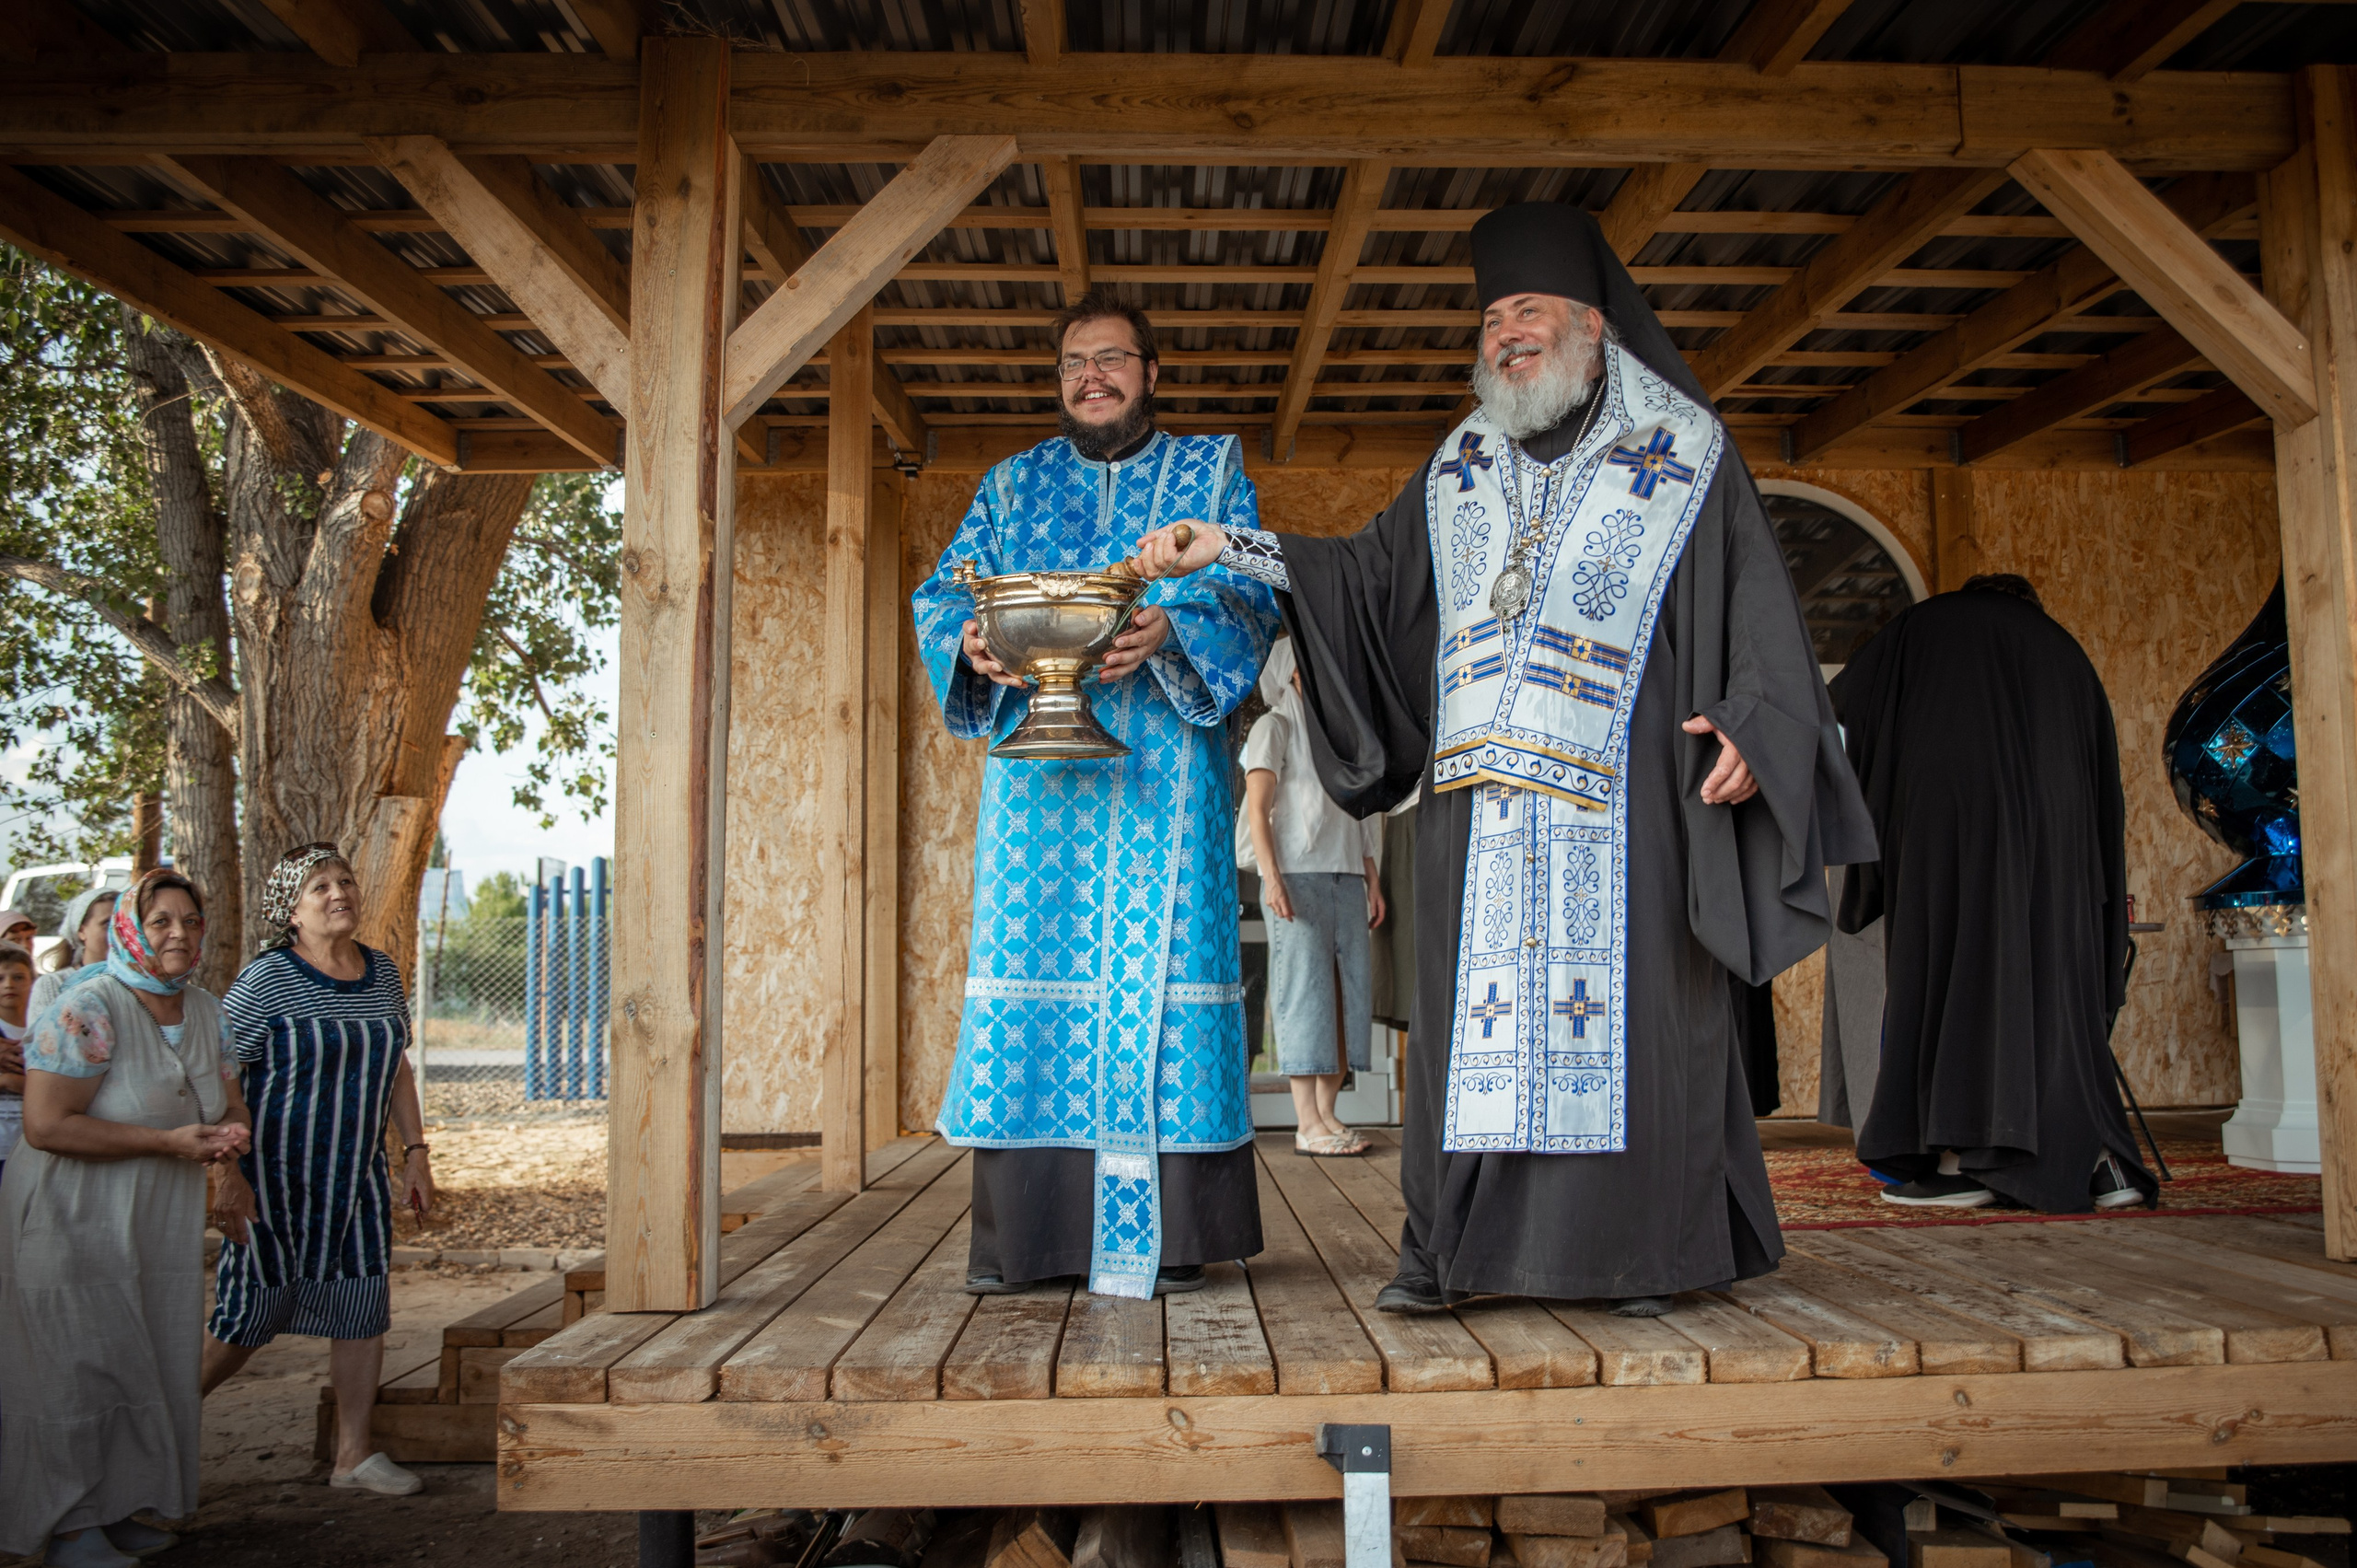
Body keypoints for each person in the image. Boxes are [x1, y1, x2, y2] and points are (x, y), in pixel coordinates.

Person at [1135, 203, 1875, 1317]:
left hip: (1628, 804)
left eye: (1526, 311)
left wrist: (1754, 727)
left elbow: (1759, 610)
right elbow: (1368, 580)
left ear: (1591, 322)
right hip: (1475, 816)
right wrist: (1230, 545)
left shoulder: (1683, 451)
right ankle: (1452, 1253)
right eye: (1490, 318)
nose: (1504, 335)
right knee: (1466, 1039)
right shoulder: (1459, 463)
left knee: (1631, 1032)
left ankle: (1644, 1257)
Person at [913, 288, 1282, 1301]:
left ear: (1151, 373)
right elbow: (945, 590)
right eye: (1075, 361)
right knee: (1035, 969)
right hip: (1040, 790)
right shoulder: (1010, 482)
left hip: (1164, 772)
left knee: (1168, 978)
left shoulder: (1209, 468)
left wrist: (1172, 631)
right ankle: (1027, 1238)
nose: (1093, 377)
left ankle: (1174, 1238)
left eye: (1113, 358)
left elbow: (1250, 591)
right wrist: (972, 643)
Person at [1829, 574, 2157, 1214]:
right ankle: (2100, 1162)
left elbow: (1837, 718)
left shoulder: (1921, 628)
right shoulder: (2062, 647)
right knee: (2053, 987)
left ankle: (1961, 1161)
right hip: (2055, 838)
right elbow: (2103, 786)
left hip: (1945, 823)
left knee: (1954, 971)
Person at [0, 869, 254, 1568]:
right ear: (130, 930)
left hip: (151, 1219)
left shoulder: (205, 1009)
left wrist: (232, 1138)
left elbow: (229, 1101)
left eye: (191, 921)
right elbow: (48, 1126)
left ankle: (115, 1505)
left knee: (140, 1357)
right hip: (69, 1210)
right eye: (162, 920)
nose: (179, 933)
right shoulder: (87, 1007)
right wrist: (166, 1142)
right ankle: (69, 1522)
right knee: (73, 1366)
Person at [200, 842, 435, 1494]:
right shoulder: (266, 979)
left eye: (345, 880)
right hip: (274, 1183)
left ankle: (353, 1456)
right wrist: (227, 1170)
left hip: (355, 1183)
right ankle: (155, 1431)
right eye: (319, 886)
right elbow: (221, 1072)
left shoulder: (382, 972)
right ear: (292, 910)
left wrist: (415, 1152)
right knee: (249, 1315)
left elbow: (397, 1069)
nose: (339, 893)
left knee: (361, 1307)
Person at [1241, 635, 1385, 1156]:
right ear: (1292, 675)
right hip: (1296, 877)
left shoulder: (1343, 741)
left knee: (1346, 998)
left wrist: (1371, 877)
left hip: (1346, 876)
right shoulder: (1272, 727)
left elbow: (1361, 815)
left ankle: (1328, 1114)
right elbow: (1259, 811)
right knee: (1306, 998)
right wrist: (1272, 877)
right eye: (1312, 669)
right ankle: (1307, 1124)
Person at [32, 886, 119, 1016]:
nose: (117, 931)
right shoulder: (53, 984)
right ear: (81, 931)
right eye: (107, 924)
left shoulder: (141, 982)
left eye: (123, 922)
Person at [0, 940, 29, 1185]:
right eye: (0, 979)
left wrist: (13, 1081)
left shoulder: (41, 1029)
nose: (9, 984)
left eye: (18, 977)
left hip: (29, 1143)